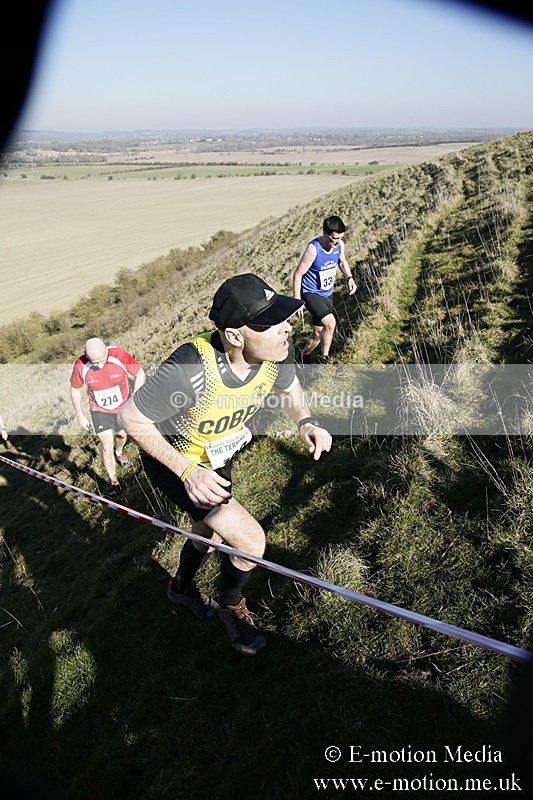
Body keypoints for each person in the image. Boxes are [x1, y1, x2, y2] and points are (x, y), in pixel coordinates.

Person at [118, 273, 332, 656]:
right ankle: (231, 605)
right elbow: (131, 418)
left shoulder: (275, 351)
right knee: (249, 540)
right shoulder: (190, 366)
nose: (285, 329)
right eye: (269, 324)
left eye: (282, 318)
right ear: (234, 335)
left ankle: (180, 589)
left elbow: (289, 388)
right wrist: (187, 471)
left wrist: (306, 421)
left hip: (216, 457)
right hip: (176, 463)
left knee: (211, 532)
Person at [69, 337, 145, 497]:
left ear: (106, 350)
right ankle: (114, 483)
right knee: (105, 445)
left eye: (102, 360)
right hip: (99, 410)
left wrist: (135, 396)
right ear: (86, 356)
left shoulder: (119, 355)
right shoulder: (80, 365)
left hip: (123, 406)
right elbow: (75, 389)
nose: (99, 365)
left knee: (122, 435)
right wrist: (79, 415)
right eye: (94, 362)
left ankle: (119, 451)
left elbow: (139, 373)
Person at [293, 214, 357, 363]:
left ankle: (302, 357)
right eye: (334, 239)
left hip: (327, 293)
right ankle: (324, 359)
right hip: (310, 292)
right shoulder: (313, 249)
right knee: (330, 323)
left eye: (340, 238)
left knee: (318, 333)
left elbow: (342, 262)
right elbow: (298, 274)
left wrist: (349, 278)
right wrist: (297, 300)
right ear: (324, 233)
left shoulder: (339, 245)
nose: (337, 242)